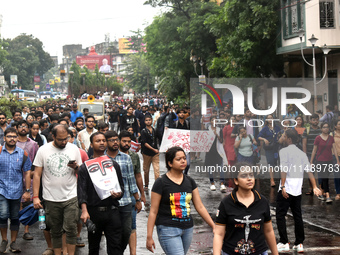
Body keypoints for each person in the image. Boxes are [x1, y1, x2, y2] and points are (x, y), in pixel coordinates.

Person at [146, 146, 215, 255]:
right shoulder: (161, 182)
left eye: (184, 158)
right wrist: (149, 236)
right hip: (167, 229)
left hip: (187, 229)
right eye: (178, 159)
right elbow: (153, 211)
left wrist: (213, 226)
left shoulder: (190, 181)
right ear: (170, 163)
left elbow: (200, 206)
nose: (183, 161)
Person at [33, 125, 82, 255]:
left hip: (71, 196)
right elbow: (37, 174)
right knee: (55, 230)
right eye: (60, 139)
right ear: (53, 136)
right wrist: (35, 197)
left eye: (66, 138)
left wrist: (76, 167)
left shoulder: (74, 149)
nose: (64, 142)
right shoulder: (43, 150)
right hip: (50, 197)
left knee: (71, 228)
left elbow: (81, 172)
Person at [213, 162, 278, 255]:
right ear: (236, 180)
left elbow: (268, 231)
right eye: (244, 176)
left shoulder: (262, 201)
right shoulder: (226, 203)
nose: (249, 179)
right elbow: (219, 234)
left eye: (251, 175)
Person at [77, 132, 124, 255]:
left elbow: (121, 188)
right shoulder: (85, 167)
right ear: (91, 144)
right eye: (98, 141)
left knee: (115, 247)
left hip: (112, 211)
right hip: (94, 213)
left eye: (103, 140)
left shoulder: (114, 165)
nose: (102, 143)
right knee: (93, 248)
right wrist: (84, 210)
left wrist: (119, 194)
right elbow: (82, 191)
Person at [276, 129, 322, 253]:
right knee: (298, 216)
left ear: (289, 139)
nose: (283, 138)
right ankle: (299, 243)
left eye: (284, 136)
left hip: (286, 189)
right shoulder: (302, 153)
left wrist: (283, 186)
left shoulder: (283, 151)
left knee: (280, 215)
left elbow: (284, 169)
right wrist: (314, 187)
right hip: (297, 191)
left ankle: (284, 242)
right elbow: (309, 171)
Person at [105, 131, 142, 252]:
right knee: (112, 233)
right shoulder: (102, 159)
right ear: (106, 142)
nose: (115, 142)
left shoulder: (126, 158)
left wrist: (138, 199)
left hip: (126, 201)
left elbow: (132, 180)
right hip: (109, 204)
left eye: (116, 139)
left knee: (127, 231)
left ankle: (119, 251)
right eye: (112, 140)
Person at [0, 128, 32, 253]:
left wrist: (27, 190)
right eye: (9, 136)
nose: (12, 138)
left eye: (14, 136)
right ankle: (4, 240)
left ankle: (13, 242)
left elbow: (27, 172)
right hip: (1, 189)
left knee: (15, 217)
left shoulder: (22, 153)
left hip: (16, 191)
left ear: (17, 138)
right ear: (4, 138)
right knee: (2, 214)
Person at [119, 131, 146, 255]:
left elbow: (138, 175)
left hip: (131, 196)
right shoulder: (112, 156)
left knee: (132, 227)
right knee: (119, 227)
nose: (126, 144)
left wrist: (142, 194)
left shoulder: (134, 156)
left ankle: (133, 253)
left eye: (129, 141)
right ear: (118, 141)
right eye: (124, 141)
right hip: (116, 198)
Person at [310, 122, 340, 203]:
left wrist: (337, 161)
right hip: (320, 161)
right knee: (325, 177)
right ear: (321, 128)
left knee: (325, 177)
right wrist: (311, 162)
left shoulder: (331, 138)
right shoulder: (318, 138)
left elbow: (334, 150)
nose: (326, 128)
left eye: (327, 127)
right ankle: (328, 195)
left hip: (329, 160)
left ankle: (322, 193)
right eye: (324, 127)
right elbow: (314, 150)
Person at [257, 114, 281, 187]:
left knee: (276, 162)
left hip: (277, 148)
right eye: (268, 118)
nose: (270, 120)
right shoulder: (265, 128)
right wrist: (264, 139)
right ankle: (272, 180)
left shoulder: (277, 128)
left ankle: (280, 179)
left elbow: (281, 135)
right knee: (270, 163)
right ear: (266, 120)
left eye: (271, 118)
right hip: (269, 148)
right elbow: (259, 136)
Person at [302, 113, 321, 195]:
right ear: (310, 121)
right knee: (310, 172)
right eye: (313, 120)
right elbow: (304, 143)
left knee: (320, 172)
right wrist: (305, 155)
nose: (315, 121)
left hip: (320, 154)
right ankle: (311, 188)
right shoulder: (307, 130)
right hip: (309, 154)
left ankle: (321, 188)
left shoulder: (321, 130)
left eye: (317, 120)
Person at [206, 116, 226, 192]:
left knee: (221, 167)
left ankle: (222, 183)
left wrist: (216, 135)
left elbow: (221, 141)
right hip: (210, 151)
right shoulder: (207, 129)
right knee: (210, 168)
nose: (214, 121)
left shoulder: (219, 130)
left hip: (218, 151)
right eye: (212, 120)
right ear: (210, 121)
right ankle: (212, 183)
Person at [140, 115, 160, 191]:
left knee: (156, 169)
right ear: (144, 121)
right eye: (146, 120)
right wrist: (154, 149)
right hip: (146, 153)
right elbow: (145, 143)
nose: (148, 121)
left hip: (155, 153)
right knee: (146, 170)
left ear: (152, 120)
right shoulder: (143, 131)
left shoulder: (155, 130)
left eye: (149, 120)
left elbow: (160, 137)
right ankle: (146, 184)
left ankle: (157, 185)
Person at [331, 120, 340, 200]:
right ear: (336, 126)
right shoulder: (332, 135)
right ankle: (338, 193)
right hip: (335, 157)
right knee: (337, 175)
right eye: (339, 124)